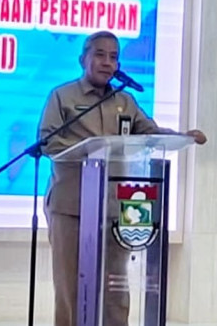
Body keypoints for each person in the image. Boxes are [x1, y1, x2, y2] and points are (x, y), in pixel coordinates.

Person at [38, 30, 206, 326]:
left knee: (115, 287)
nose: (107, 62)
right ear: (83, 59)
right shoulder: (62, 97)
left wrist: (181, 136)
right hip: (71, 206)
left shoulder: (125, 101)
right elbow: (48, 142)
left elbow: (149, 133)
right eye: (100, 55)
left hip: (115, 208)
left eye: (114, 57)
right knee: (70, 287)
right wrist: (90, 152)